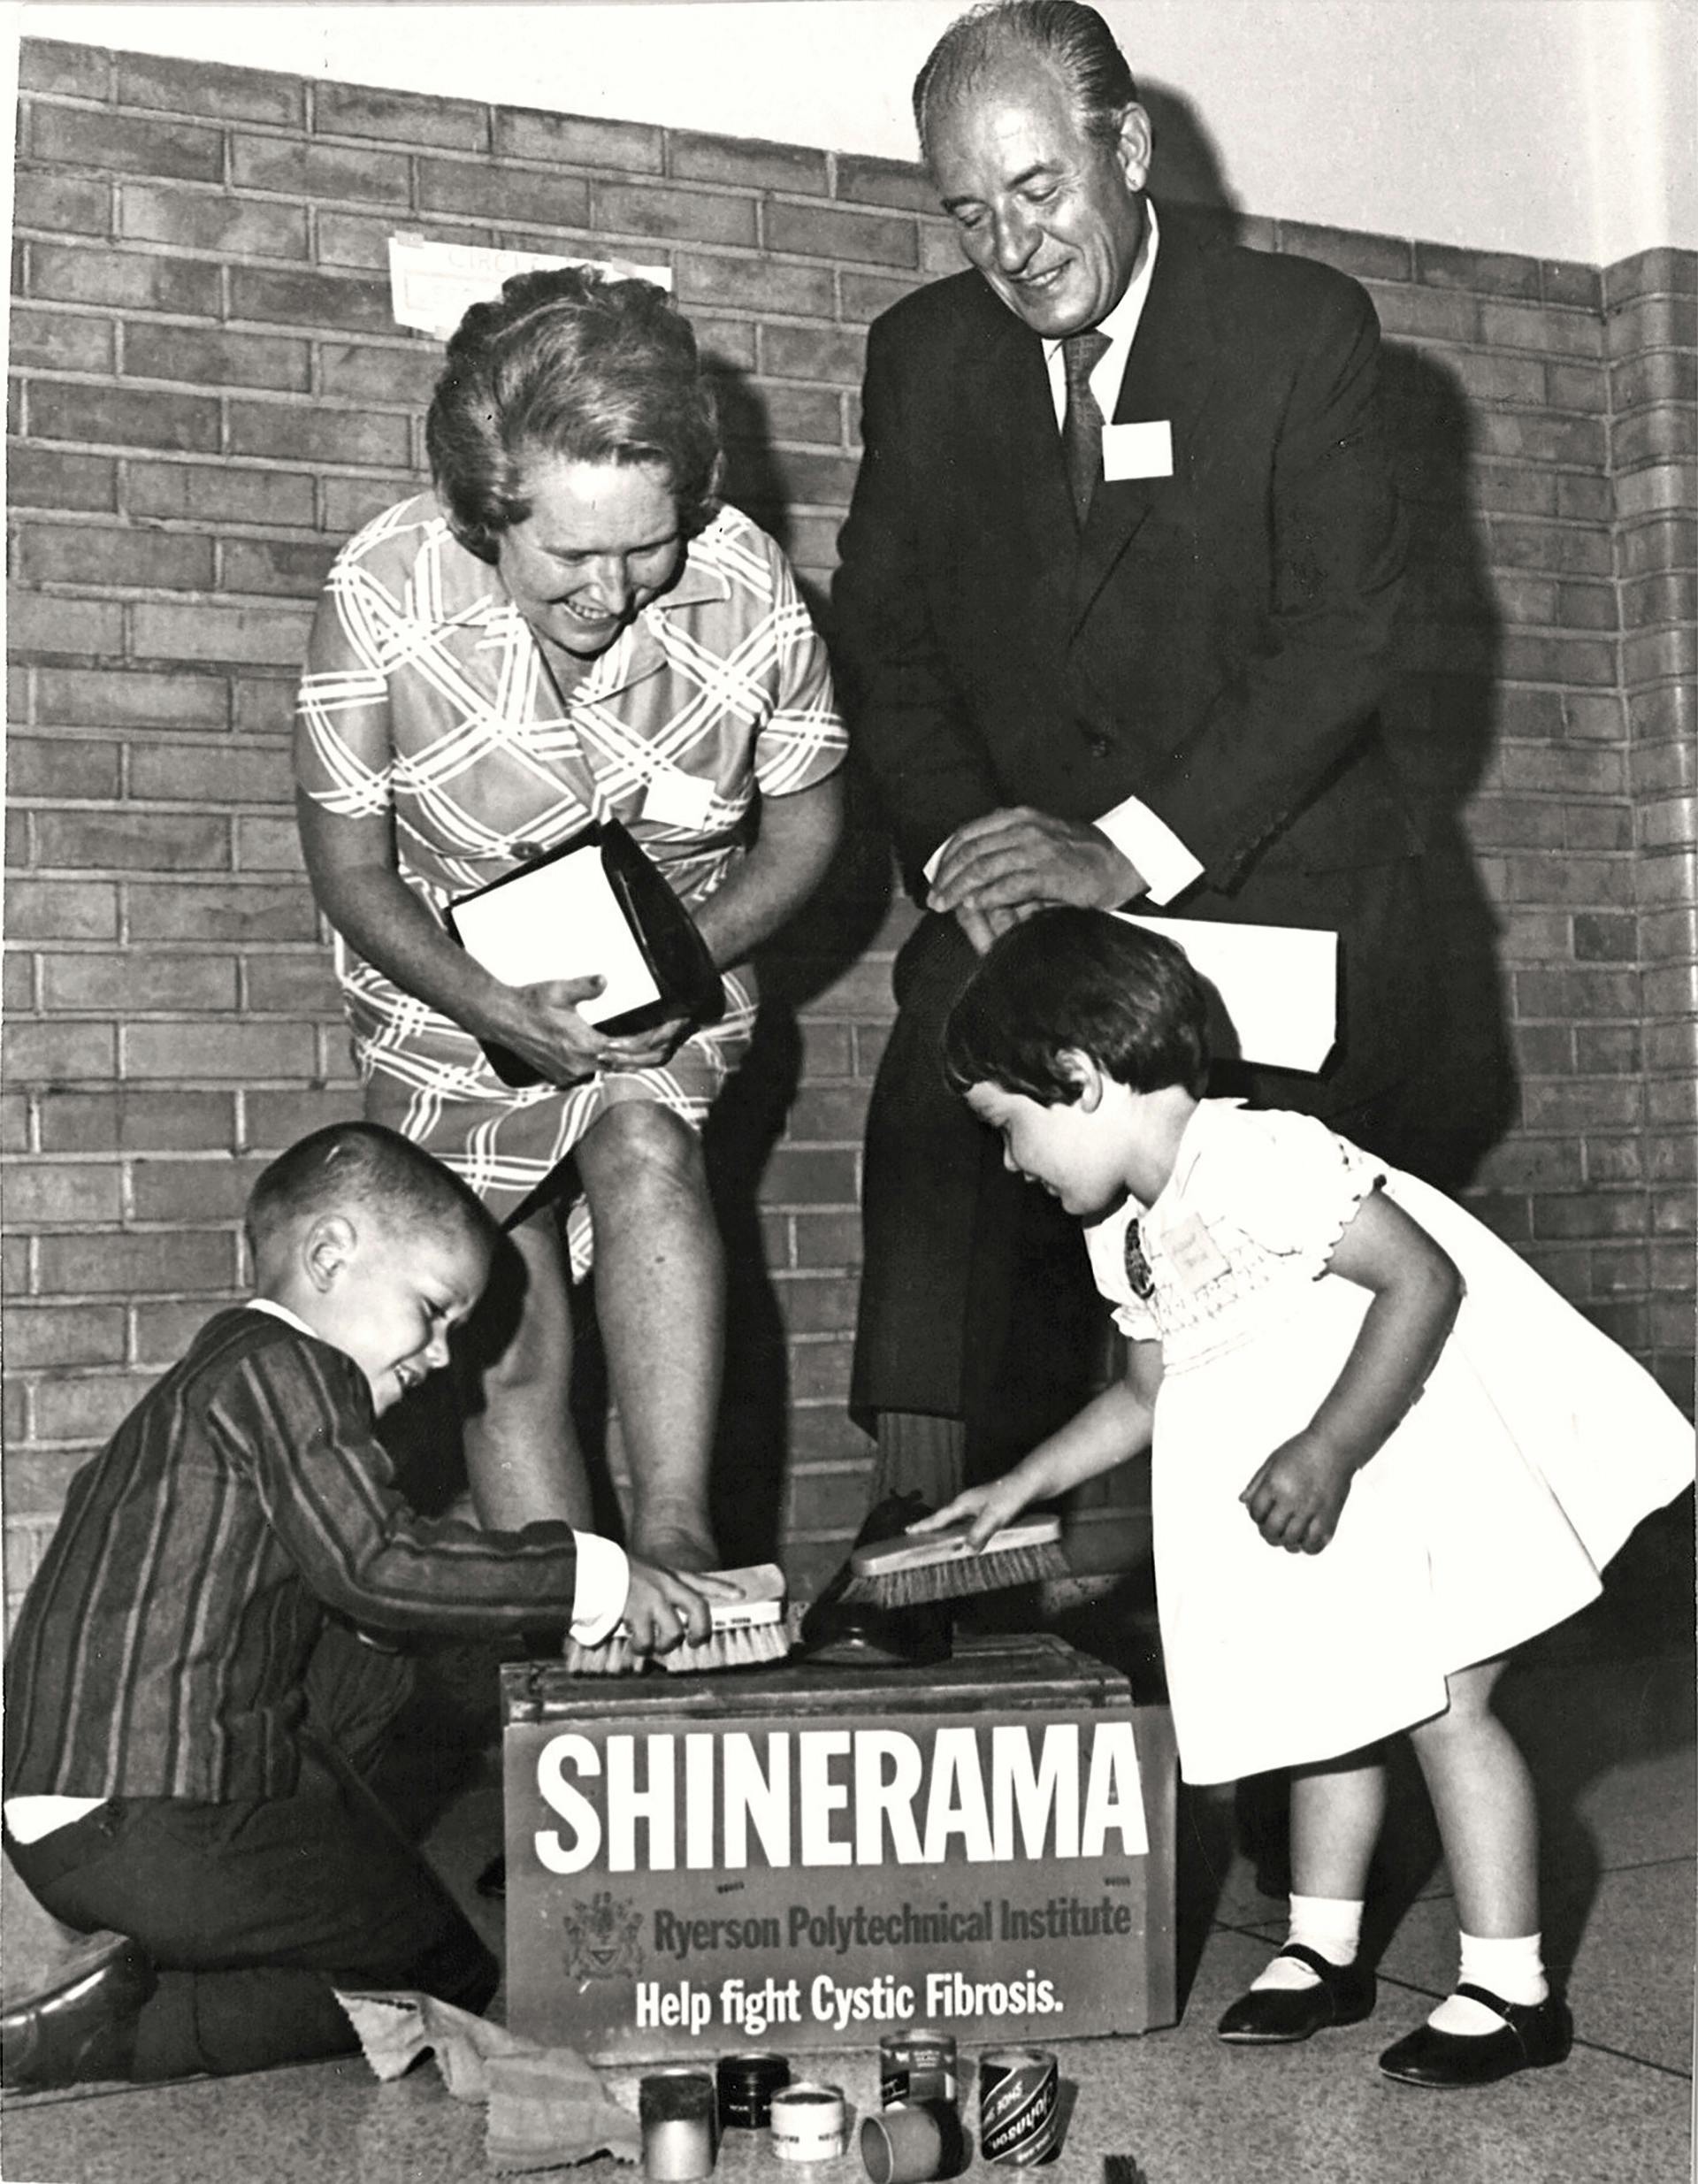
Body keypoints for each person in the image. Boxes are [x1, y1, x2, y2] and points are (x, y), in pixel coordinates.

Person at [914, 908, 1693, 2088]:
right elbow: (1145, 1389)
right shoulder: (1122, 1224)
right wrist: (1022, 1482)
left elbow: (1422, 1279)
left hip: (1401, 1453)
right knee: (1319, 1700)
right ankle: (1324, 1949)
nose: (1012, 1164)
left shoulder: (1256, 1158)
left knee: (1444, 1704)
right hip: (1313, 1490)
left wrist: (1330, 1447)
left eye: (1008, 1130)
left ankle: (1511, 1984)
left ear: (1077, 1077)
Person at [833, 0, 1430, 1499]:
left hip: (1266, 898)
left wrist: (1127, 848)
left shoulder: (1301, 329)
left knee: (1252, 1237)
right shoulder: (920, 362)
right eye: (969, 213)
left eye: (1039, 191)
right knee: (935, 1096)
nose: (1013, 245)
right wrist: (978, 860)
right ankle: (933, 1532)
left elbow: (1343, 640)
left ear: (1130, 149)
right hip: (1029, 910)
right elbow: (889, 653)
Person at [295, 266, 845, 1567]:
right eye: (571, 556)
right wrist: (491, 1004)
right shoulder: (382, 592)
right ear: (485, 514)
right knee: (507, 1304)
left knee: (648, 1154)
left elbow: (810, 829)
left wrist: (672, 963)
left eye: (646, 545)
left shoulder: (751, 587)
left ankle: (679, 1539)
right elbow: (350, 870)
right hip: (446, 993)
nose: (613, 591)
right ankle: (579, 1610)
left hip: (680, 956)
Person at [0, 1123, 728, 2092]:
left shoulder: (215, 1381)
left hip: (76, 1815)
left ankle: (159, 1964)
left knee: (400, 1647)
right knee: (445, 1972)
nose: (435, 1356)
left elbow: (367, 1613)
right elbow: (376, 1562)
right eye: (429, 1312)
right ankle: (117, 2032)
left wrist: (537, 1630)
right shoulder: (285, 1369)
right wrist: (597, 1578)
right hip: (154, 1815)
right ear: (331, 1257)